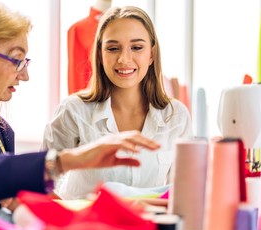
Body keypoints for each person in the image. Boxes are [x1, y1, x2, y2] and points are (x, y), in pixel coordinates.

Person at [0, 2, 161, 218]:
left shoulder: (0, 132)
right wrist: (67, 160)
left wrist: (115, 213)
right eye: (16, 59)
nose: (25, 76)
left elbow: (8, 206)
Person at [42, 6, 193, 199]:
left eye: (137, 47)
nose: (124, 59)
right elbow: (42, 183)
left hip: (146, 226)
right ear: (99, 55)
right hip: (84, 225)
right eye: (113, 48)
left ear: (152, 55)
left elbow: (181, 193)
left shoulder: (176, 116)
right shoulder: (73, 110)